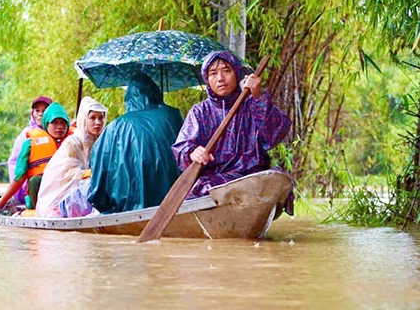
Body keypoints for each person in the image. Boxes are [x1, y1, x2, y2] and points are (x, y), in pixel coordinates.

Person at [172, 50, 292, 199]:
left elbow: (276, 133)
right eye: (213, 73)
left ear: (237, 73)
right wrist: (192, 152)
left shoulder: (253, 104)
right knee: (201, 189)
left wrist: (258, 97)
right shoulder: (200, 112)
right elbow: (181, 147)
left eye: (226, 71)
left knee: (276, 178)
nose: (220, 78)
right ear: (207, 79)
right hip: (215, 182)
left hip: (251, 176)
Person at [88, 73, 184, 214]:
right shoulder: (173, 116)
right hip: (177, 204)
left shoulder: (115, 127)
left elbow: (98, 182)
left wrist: (105, 206)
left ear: (127, 98)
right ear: (155, 93)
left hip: (127, 209)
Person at [0, 102, 72, 214]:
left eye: (63, 123)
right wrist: (1, 202)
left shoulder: (74, 142)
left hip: (67, 193)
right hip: (41, 196)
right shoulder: (30, 144)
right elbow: (19, 178)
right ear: (46, 124)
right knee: (35, 180)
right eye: (54, 123)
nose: (60, 127)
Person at [35, 96, 107, 218]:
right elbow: (66, 175)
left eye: (101, 118)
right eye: (93, 118)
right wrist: (89, 173)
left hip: (84, 195)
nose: (98, 122)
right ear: (84, 120)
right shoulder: (72, 143)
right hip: (62, 198)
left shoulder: (101, 142)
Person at [7, 96, 52, 204]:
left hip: (52, 185)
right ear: (33, 113)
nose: (40, 114)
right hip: (29, 186)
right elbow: (14, 165)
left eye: (44, 110)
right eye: (37, 110)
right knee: (35, 181)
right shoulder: (26, 136)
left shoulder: (58, 130)